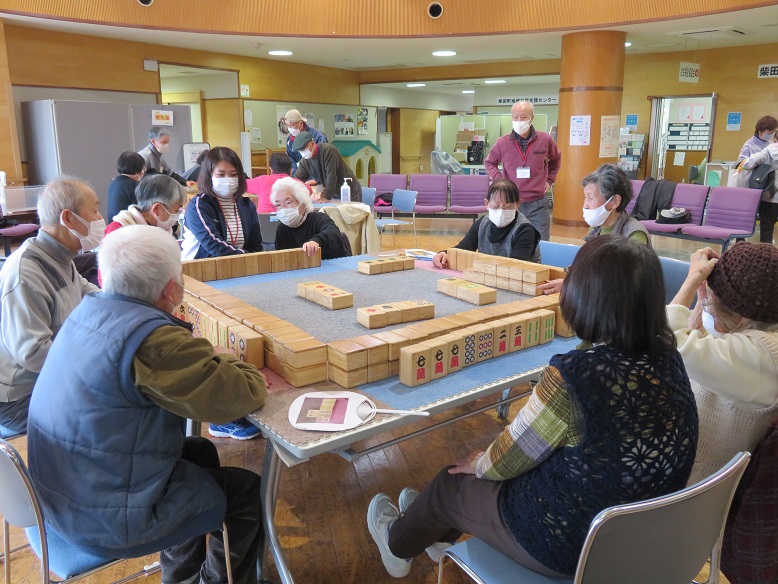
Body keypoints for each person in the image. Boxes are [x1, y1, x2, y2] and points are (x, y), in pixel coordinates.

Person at [367, 235, 698, 579]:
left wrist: (479, 462)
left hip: (566, 543)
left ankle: (396, 544)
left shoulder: (573, 377)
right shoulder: (669, 358)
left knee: (450, 482)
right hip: (640, 536)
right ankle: (434, 530)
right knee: (476, 478)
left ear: (584, 296)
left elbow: (507, 459)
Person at [27, 225, 268, 584]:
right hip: (103, 519)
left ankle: (182, 577)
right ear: (172, 290)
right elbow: (245, 392)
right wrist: (222, 355)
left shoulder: (87, 311)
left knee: (199, 452)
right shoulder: (153, 340)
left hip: (60, 494)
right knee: (247, 492)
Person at [668, 242, 778, 485]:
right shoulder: (757, 335)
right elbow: (695, 343)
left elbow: (668, 344)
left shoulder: (762, 355)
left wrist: (691, 282)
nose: (707, 307)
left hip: (695, 486)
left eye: (710, 301)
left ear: (741, 317)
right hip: (692, 469)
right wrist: (702, 301)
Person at [0, 177, 101, 433]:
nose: (100, 218)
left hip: (45, 379)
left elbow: (88, 292)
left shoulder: (59, 257)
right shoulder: (26, 272)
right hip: (21, 397)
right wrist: (96, 355)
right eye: (95, 211)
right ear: (68, 219)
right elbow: (33, 353)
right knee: (106, 416)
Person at [538, 163, 650, 295]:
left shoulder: (635, 234)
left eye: (590, 198)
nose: (585, 204)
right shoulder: (597, 227)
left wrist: (572, 287)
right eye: (585, 197)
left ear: (614, 202)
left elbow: (623, 284)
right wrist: (569, 281)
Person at [484, 100, 561, 241]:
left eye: (523, 117)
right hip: (510, 203)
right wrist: (500, 180)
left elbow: (556, 159)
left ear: (532, 117)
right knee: (510, 241)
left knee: (542, 242)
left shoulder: (545, 139)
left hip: (537, 203)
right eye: (515, 117)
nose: (519, 121)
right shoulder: (503, 142)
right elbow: (489, 162)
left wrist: (550, 180)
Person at [433, 179, 541, 268]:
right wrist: (445, 253)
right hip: (491, 275)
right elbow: (464, 248)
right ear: (487, 204)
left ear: (518, 204)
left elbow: (515, 266)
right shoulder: (482, 224)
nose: (501, 211)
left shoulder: (525, 230)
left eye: (507, 207)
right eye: (495, 206)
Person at [182, 146, 263, 260]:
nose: (228, 179)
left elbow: (256, 244)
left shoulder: (247, 205)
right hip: (201, 266)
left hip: (240, 265)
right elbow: (213, 244)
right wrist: (246, 258)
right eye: (221, 175)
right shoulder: (198, 206)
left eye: (233, 174)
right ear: (209, 176)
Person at [270, 177, 349, 260]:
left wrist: (316, 241)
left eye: (288, 202)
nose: (283, 208)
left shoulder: (318, 219)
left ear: (303, 204)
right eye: (278, 205)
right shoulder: (282, 229)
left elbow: (333, 232)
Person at [736, 115, 778, 243]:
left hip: (768, 188)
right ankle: (740, 246)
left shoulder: (771, 144)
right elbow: (741, 164)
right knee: (745, 221)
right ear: (760, 130)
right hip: (752, 187)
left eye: (773, 132)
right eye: (769, 132)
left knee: (767, 224)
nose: (771, 135)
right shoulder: (749, 145)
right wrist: (759, 162)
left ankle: (765, 250)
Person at [291, 131, 362, 202]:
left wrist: (326, 197)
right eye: (300, 151)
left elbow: (331, 176)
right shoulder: (304, 161)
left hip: (349, 189)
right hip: (334, 192)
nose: (303, 153)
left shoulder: (328, 151)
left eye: (304, 149)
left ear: (312, 143)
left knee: (351, 208)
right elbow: (297, 180)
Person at [105, 174, 185, 236]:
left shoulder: (162, 229)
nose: (178, 215)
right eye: (177, 210)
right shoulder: (118, 231)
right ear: (156, 209)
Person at [284, 108, 328, 173]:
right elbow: (291, 160)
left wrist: (314, 178)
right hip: (299, 175)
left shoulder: (317, 136)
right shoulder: (289, 140)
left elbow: (323, 159)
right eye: (288, 126)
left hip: (316, 174)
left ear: (301, 123)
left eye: (292, 126)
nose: (290, 129)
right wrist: (295, 175)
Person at [107, 151, 145, 220]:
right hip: (127, 225)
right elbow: (143, 211)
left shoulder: (114, 182)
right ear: (139, 168)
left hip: (113, 225)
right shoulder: (134, 186)